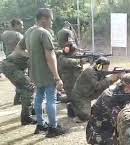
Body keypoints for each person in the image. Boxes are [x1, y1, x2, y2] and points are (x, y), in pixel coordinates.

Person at [16, 8, 65, 137]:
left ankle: (40, 124)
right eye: (51, 19)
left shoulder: (29, 31)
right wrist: (57, 77)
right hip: (46, 73)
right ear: (44, 19)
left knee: (39, 97)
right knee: (51, 99)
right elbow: (50, 57)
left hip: (34, 72)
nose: (52, 22)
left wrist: (32, 56)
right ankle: (53, 127)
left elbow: (18, 49)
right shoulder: (44, 33)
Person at [70, 57, 122, 122]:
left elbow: (104, 84)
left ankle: (77, 107)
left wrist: (115, 79)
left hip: (88, 94)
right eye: (105, 67)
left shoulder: (98, 71)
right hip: (80, 97)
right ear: (99, 66)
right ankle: (72, 107)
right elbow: (97, 86)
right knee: (86, 116)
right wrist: (110, 78)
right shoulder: (90, 71)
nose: (106, 70)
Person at [1, 18, 24, 105]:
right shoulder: (19, 36)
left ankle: (17, 100)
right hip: (18, 60)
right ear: (16, 25)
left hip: (8, 61)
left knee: (19, 82)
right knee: (24, 82)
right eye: (21, 24)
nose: (22, 26)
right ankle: (18, 100)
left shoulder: (4, 34)